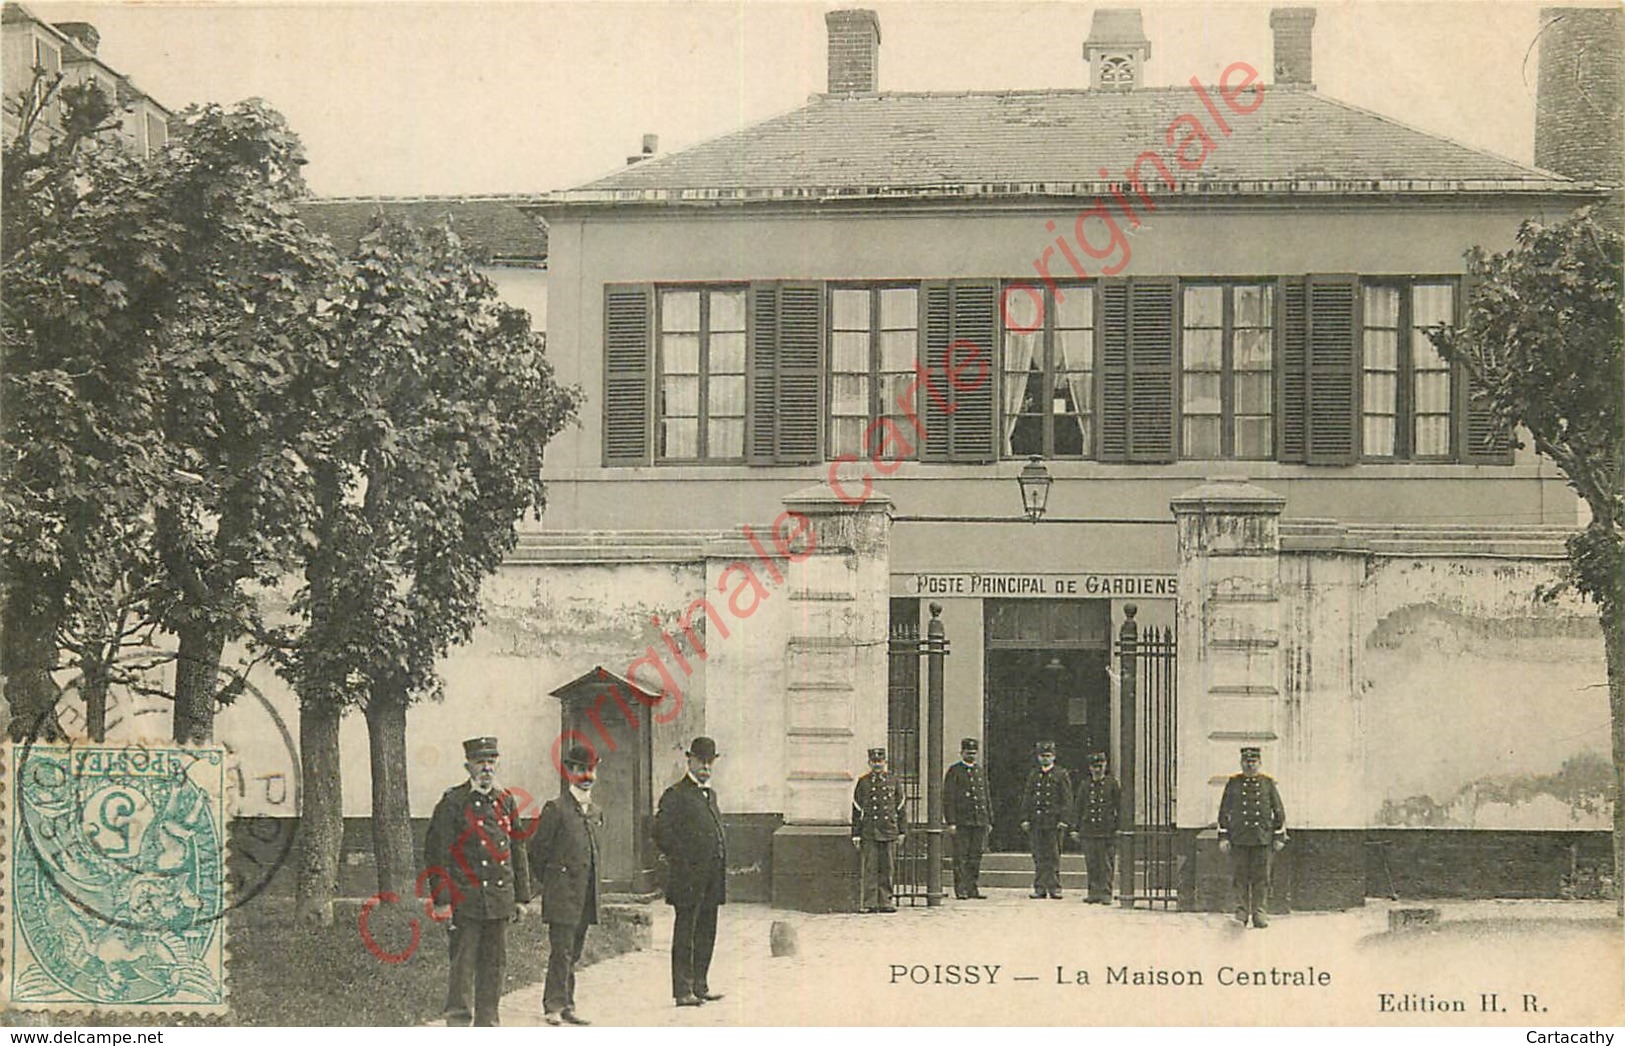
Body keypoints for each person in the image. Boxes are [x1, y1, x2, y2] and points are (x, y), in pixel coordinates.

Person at [424, 736, 532, 1027]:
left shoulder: (505, 800)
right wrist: (443, 900)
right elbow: (437, 854)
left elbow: (516, 848)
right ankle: (458, 1023)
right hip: (465, 900)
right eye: (480, 762)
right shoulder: (453, 802)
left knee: (494, 966)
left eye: (491, 761)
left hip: (498, 899)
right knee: (463, 965)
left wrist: (521, 897)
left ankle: (488, 1024)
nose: (486, 768)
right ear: (467, 766)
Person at [528, 744, 601, 1026]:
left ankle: (568, 1004)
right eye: (581, 769)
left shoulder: (596, 810)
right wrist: (553, 882)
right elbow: (537, 852)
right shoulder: (556, 809)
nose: (586, 775)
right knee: (562, 950)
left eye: (591, 769)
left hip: (586, 895)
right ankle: (553, 1006)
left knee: (576, 950)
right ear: (570, 772)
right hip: (562, 894)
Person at [654, 736, 727, 1008]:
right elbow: (660, 831)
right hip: (687, 878)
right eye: (701, 761)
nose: (706, 767)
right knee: (686, 932)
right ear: (690, 760)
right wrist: (683, 860)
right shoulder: (676, 794)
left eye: (710, 762)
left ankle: (700, 984)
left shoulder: (711, 794)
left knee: (707, 931)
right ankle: (682, 990)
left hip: (711, 877)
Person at [1217, 746, 1287, 928]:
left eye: (1253, 762)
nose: (1250, 765)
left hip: (1262, 839)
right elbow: (1224, 811)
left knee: (1261, 877)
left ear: (1259, 763)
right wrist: (1223, 837)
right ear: (1241, 763)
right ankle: (1241, 912)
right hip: (1239, 838)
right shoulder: (1233, 783)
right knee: (1240, 877)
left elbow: (1278, 810)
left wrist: (1279, 837)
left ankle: (1259, 913)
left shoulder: (1267, 783)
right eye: (1246, 762)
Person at [851, 746, 907, 913]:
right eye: (874, 762)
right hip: (870, 831)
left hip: (889, 830)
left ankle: (886, 902)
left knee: (887, 868)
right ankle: (869, 903)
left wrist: (902, 831)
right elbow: (856, 809)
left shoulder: (893, 781)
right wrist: (856, 834)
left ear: (885, 762)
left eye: (880, 761)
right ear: (869, 763)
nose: (877, 765)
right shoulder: (863, 782)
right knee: (870, 868)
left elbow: (901, 808)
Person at [1018, 740, 1073, 899]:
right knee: (1038, 855)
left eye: (1048, 756)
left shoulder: (1060, 774)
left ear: (1054, 757)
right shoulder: (1034, 775)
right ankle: (1040, 887)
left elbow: (1067, 799)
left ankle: (1054, 887)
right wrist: (1025, 818)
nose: (1045, 759)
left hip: (1053, 822)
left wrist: (1064, 820)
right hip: (1036, 821)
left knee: (1053, 856)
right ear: (1037, 757)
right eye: (1042, 756)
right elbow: (1027, 798)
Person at [943, 737, 992, 900]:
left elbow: (986, 796)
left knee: (975, 856)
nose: (971, 755)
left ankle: (973, 888)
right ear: (961, 753)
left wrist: (989, 819)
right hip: (962, 822)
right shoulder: (955, 771)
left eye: (974, 753)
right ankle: (961, 888)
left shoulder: (979, 771)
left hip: (979, 821)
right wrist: (951, 821)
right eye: (968, 752)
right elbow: (948, 798)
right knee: (961, 856)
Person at [1071, 751, 1121, 904]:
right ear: (1090, 768)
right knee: (1092, 863)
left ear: (1105, 766)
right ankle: (1093, 892)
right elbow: (1078, 807)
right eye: (1094, 767)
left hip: (1107, 831)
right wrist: (1075, 828)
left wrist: (1118, 827)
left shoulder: (1111, 784)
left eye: (1100, 766)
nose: (1097, 770)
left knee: (1106, 864)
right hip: (1088, 830)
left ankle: (1106, 893)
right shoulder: (1085, 785)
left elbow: (1120, 807)